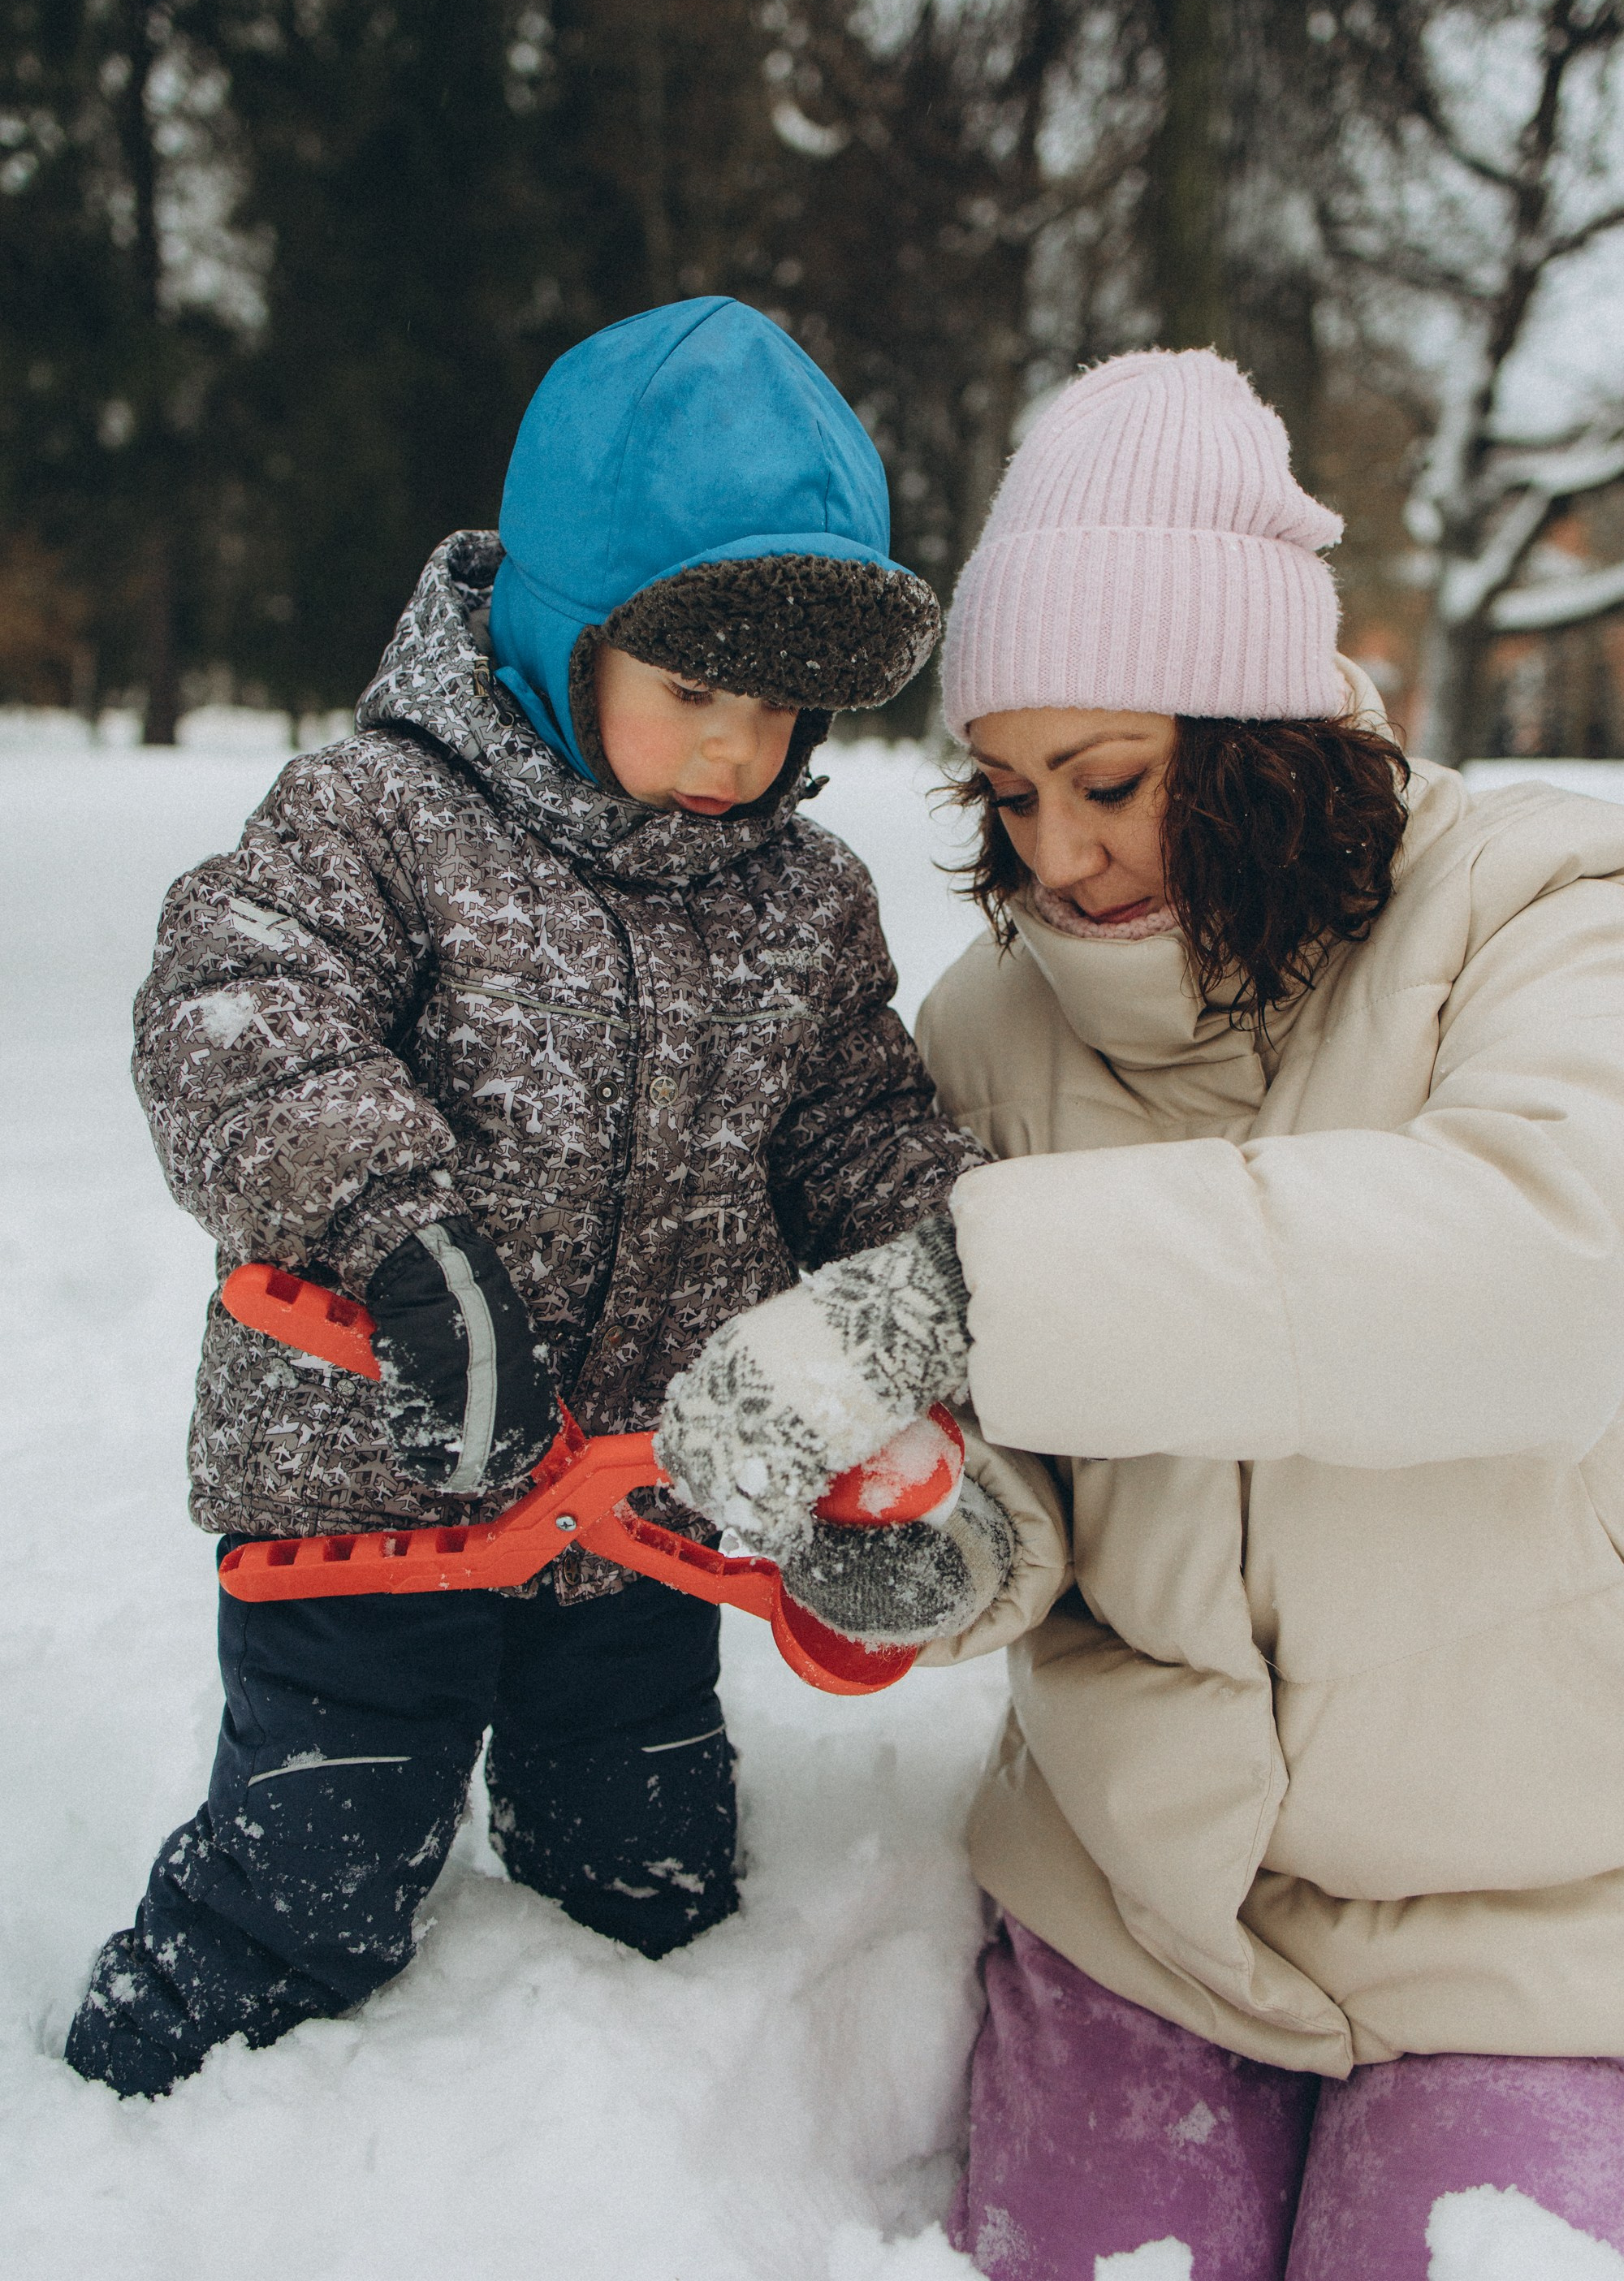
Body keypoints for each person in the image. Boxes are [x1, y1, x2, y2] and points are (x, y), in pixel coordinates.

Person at [657, 349, 1624, 2277]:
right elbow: (1024, 1495)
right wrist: (947, 1540)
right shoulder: (986, 1036)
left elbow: (1551, 1267)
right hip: (1133, 1916)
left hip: (1534, 1915)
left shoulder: (1536, 907)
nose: (1056, 856)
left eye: (1110, 783)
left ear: (1262, 733)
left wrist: (956, 1291)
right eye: (1008, 795)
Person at [64, 296, 998, 2101]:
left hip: (638, 1503)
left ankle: (624, 2132)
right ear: (565, 643)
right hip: (370, 1492)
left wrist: (949, 1287)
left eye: (778, 705)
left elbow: (855, 1132)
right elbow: (235, 1010)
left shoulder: (804, 904)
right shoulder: (377, 819)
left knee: (646, 1864)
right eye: (691, 690)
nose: (737, 749)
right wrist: (397, 1228)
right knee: (315, 1876)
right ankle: (135, 2114)